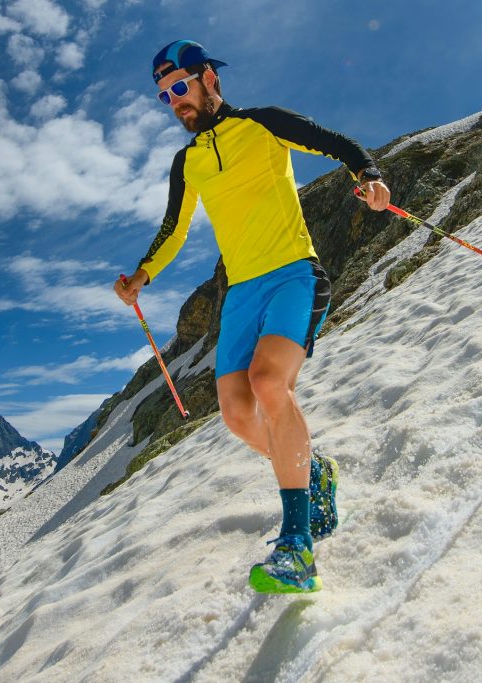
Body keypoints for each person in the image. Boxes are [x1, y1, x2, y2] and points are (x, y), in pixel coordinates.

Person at [114, 40, 390, 594]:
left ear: (208, 77)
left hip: (293, 273)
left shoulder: (262, 125)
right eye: (164, 95)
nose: (173, 102)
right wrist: (143, 274)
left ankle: (297, 546)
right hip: (240, 292)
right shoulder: (187, 162)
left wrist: (369, 175)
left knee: (268, 382)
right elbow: (175, 228)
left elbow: (335, 144)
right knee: (238, 415)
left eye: (179, 87)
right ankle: (312, 471)